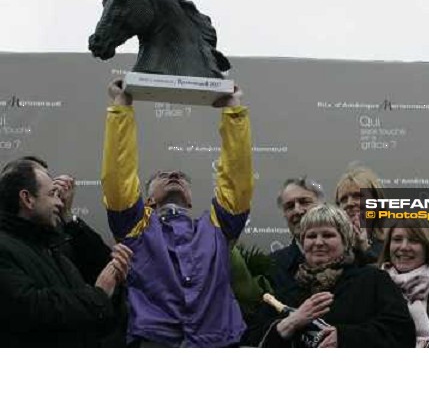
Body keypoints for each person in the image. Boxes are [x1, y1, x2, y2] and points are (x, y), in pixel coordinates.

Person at [102, 79, 253, 347]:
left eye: (181, 177)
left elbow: (237, 180)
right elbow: (118, 177)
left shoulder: (216, 227)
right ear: (146, 197)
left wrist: (233, 112)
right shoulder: (136, 226)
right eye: (163, 176)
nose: (173, 176)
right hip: (154, 343)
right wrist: (121, 108)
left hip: (220, 343)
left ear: (191, 198)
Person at [0, 158, 131, 347]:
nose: (60, 202)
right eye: (52, 193)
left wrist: (113, 279)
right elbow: (33, 307)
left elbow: (92, 288)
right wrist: (98, 294)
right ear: (27, 198)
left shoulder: (50, 244)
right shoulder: (8, 247)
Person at [244, 204, 416, 348]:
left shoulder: (373, 281)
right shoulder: (285, 290)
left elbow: (403, 333)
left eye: (328, 235)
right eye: (311, 236)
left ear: (346, 241)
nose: (318, 242)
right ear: (303, 244)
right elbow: (251, 339)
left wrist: (344, 337)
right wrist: (291, 322)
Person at [271, 176, 325, 291]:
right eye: (289, 206)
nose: (297, 210)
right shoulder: (273, 265)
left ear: (322, 207)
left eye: (304, 202)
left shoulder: (347, 258)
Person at [335, 163, 386, 264]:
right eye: (344, 199)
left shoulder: (394, 242)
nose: (349, 203)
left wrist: (364, 249)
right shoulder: (331, 243)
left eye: (357, 196)